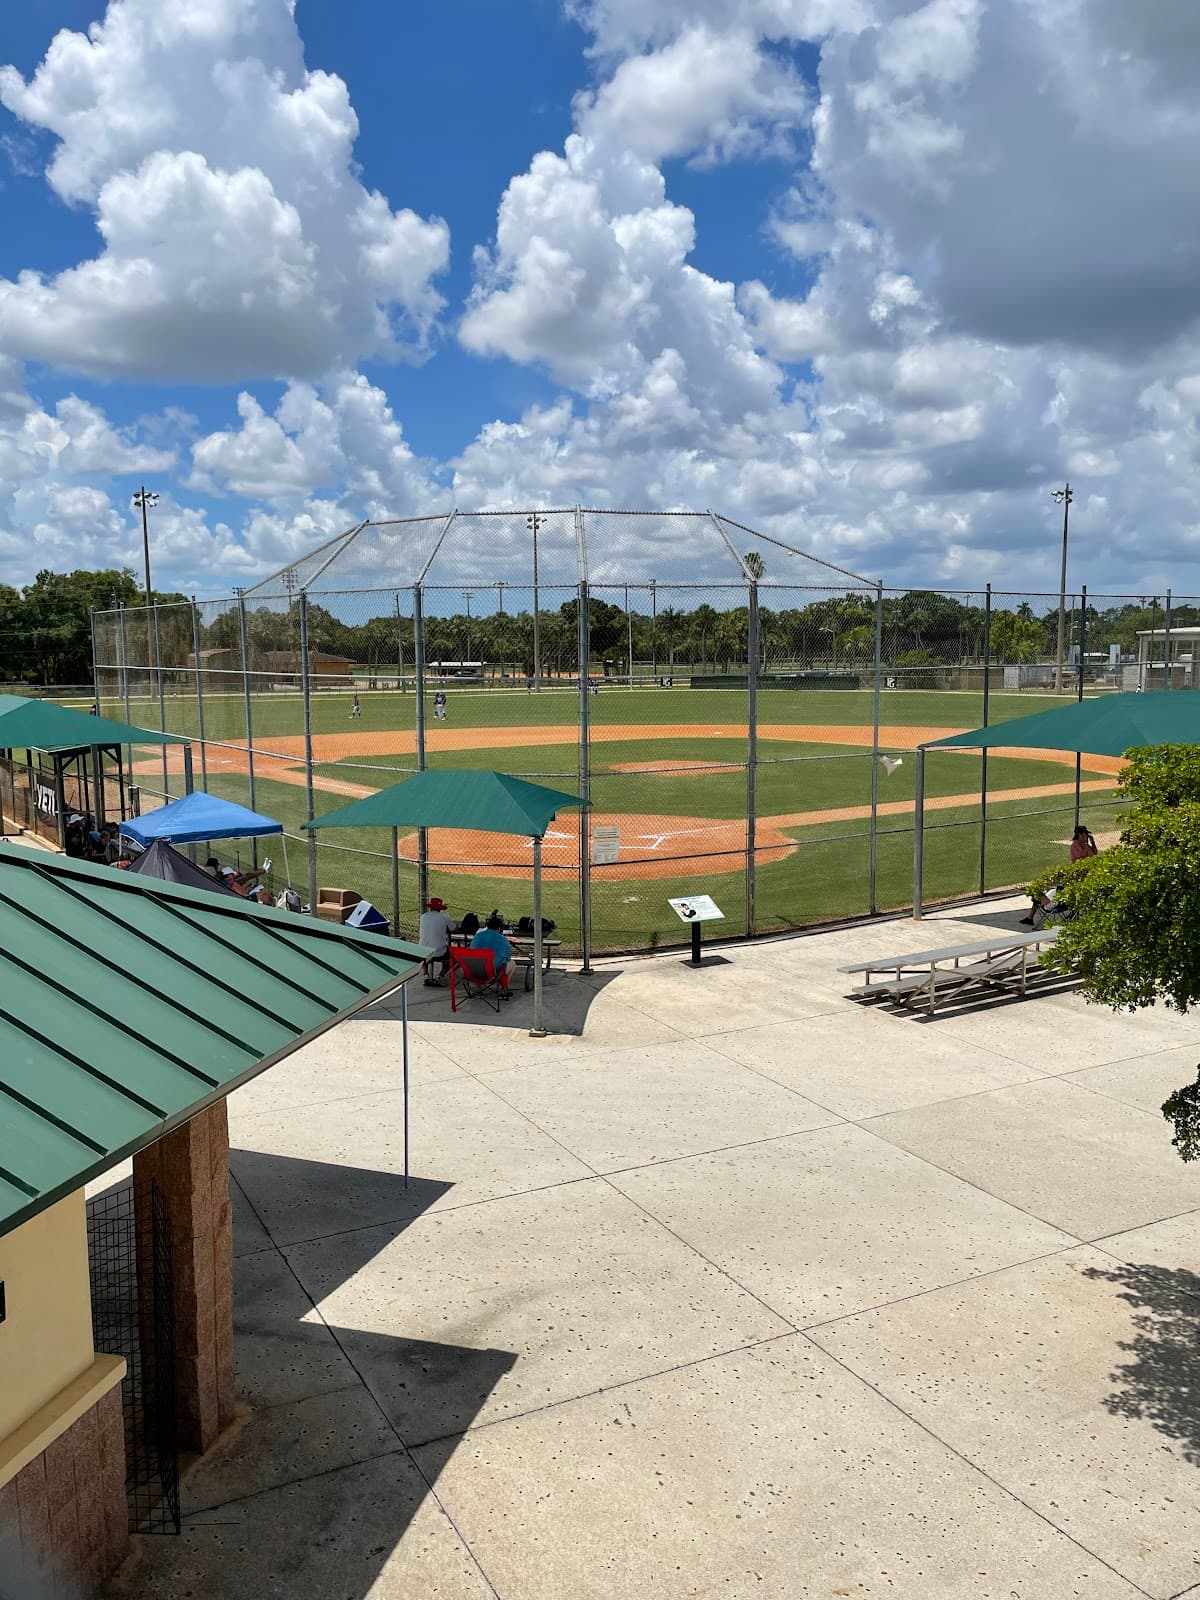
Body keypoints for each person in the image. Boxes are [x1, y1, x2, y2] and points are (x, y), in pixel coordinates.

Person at [1021, 824, 1099, 925]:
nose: (1086, 837)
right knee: (1040, 895)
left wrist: (1092, 843)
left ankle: (1030, 916)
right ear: (1080, 835)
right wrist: (1086, 847)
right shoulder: (1075, 846)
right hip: (1076, 876)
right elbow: (1079, 858)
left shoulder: (1086, 846)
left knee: (1037, 894)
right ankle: (1030, 917)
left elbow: (1094, 853)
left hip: (1054, 902)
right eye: (1085, 835)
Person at [418, 895, 457, 985]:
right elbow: (454, 929)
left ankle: (426, 975)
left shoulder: (423, 916)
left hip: (422, 951)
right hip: (439, 952)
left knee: (425, 949)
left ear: (431, 907)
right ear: (440, 908)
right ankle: (440, 976)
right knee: (453, 956)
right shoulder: (444, 917)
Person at [471, 912, 515, 988]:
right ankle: (504, 988)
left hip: (475, 971)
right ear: (499, 928)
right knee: (512, 963)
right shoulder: (503, 939)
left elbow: (471, 951)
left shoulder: (477, 936)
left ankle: (478, 986)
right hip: (493, 972)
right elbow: (508, 956)